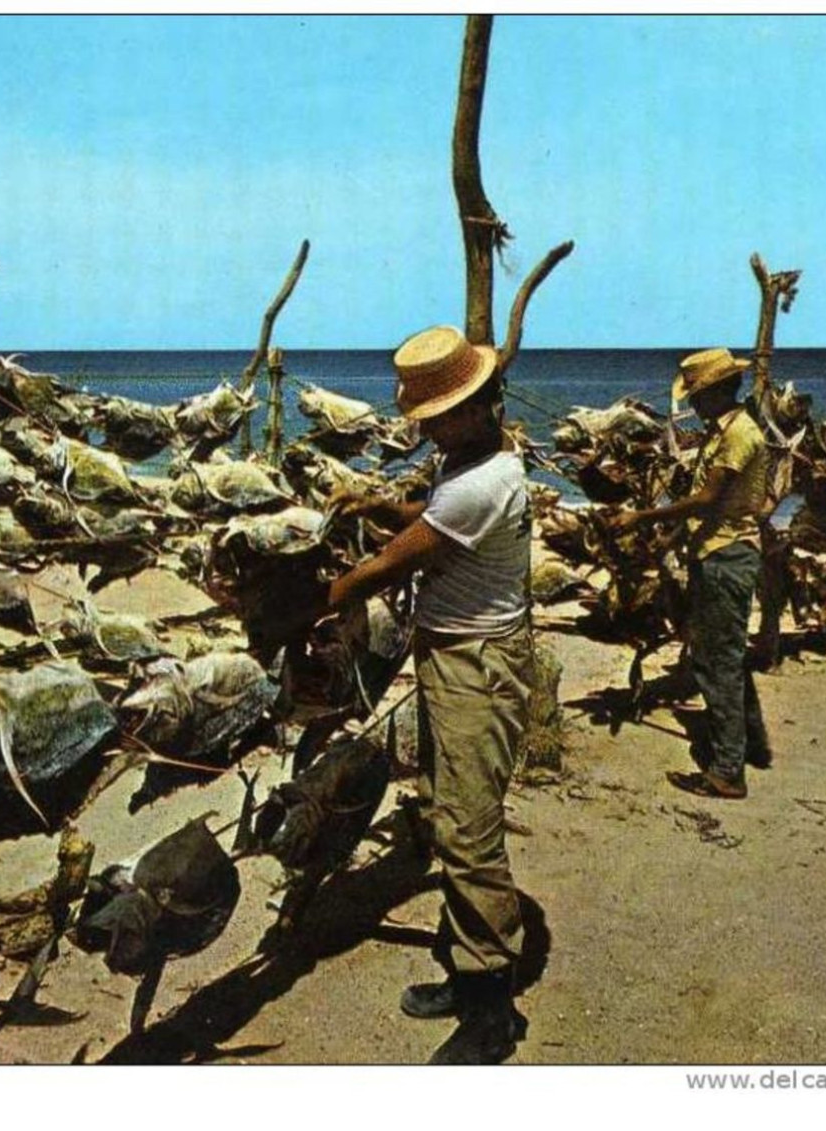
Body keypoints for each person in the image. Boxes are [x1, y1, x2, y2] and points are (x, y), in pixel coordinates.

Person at [317, 324, 534, 1066]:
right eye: (427, 419)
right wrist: (374, 504)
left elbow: (383, 569)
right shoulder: (473, 462)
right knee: (449, 812)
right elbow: (424, 523)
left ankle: (489, 1009)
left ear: (478, 405)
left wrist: (327, 593)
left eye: (439, 416)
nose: (431, 430)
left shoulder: (480, 482)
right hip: (455, 654)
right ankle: (471, 961)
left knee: (469, 832)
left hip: (477, 665)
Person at [608, 347, 772, 799]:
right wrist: (673, 537)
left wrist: (643, 518)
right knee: (727, 657)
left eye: (699, 395)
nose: (694, 404)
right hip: (714, 552)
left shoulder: (739, 435)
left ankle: (726, 772)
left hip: (727, 557)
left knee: (716, 663)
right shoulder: (722, 431)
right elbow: (704, 500)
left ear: (720, 391)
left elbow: (708, 500)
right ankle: (751, 746)